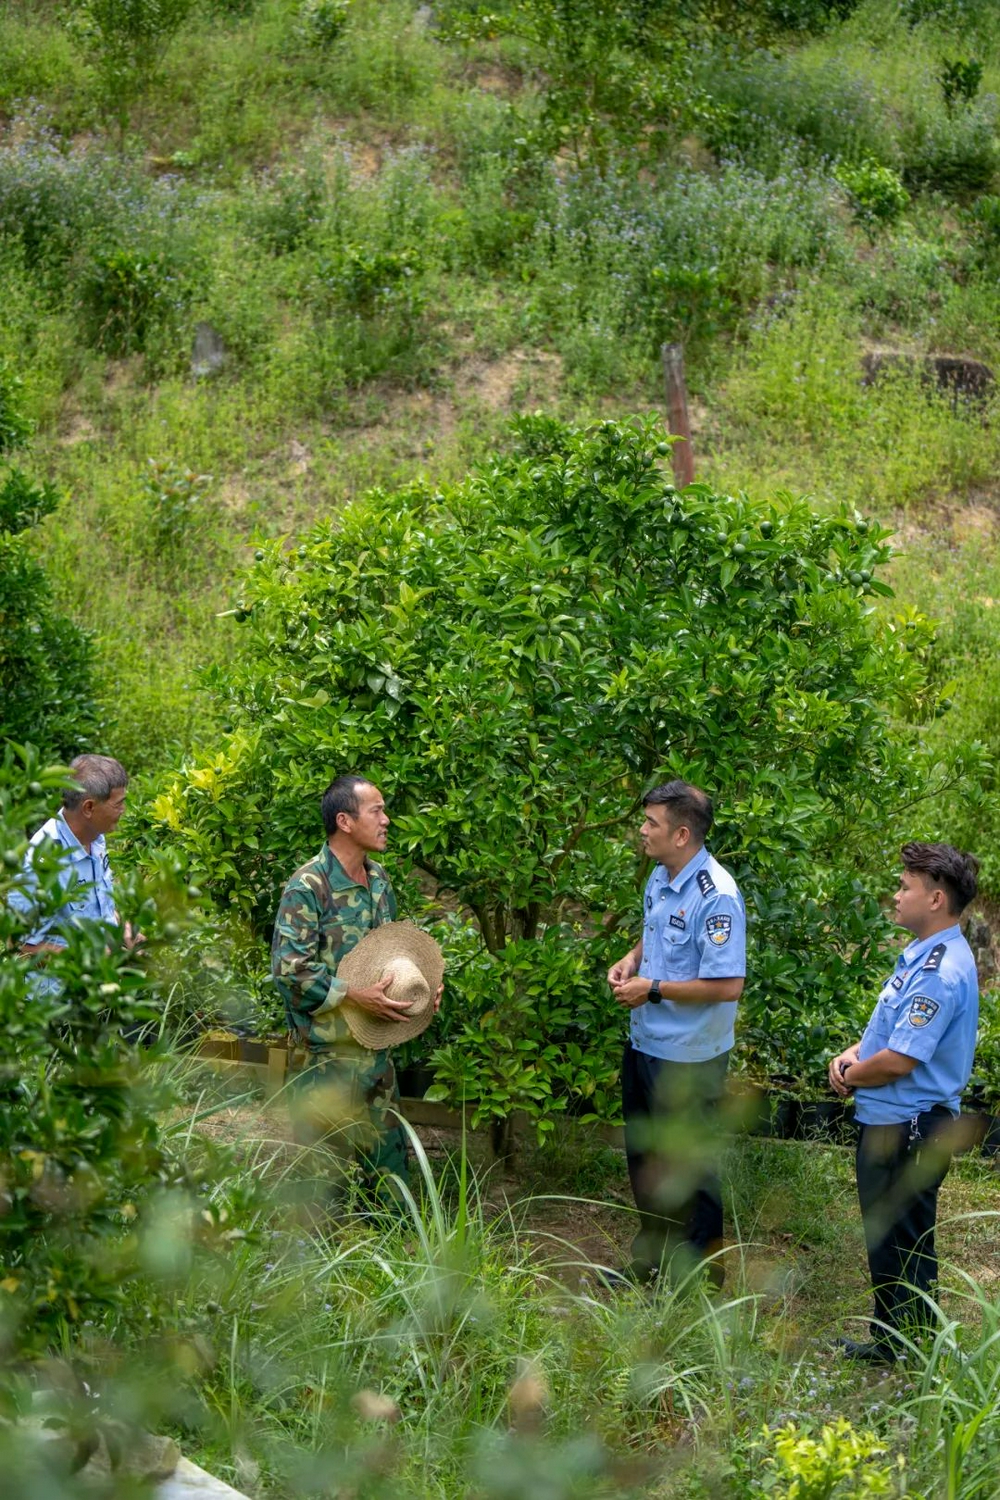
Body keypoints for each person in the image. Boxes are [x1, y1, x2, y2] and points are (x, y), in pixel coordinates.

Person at [829, 841, 980, 1364]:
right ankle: (893, 1343)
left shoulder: (939, 971)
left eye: (905, 887)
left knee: (908, 1245)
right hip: (892, 1118)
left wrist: (852, 1071)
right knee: (889, 1239)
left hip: (909, 1127)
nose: (896, 895)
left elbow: (899, 1061)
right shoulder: (924, 958)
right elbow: (887, 1038)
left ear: (936, 899)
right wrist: (852, 1055)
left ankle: (915, 1355)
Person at [271, 774, 438, 1207]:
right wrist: (351, 996)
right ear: (344, 821)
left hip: (376, 1057)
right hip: (325, 1061)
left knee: (391, 1191)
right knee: (320, 1189)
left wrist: (419, 989)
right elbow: (291, 974)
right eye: (376, 811)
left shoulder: (379, 880)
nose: (386, 820)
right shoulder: (308, 887)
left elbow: (391, 953)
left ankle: (392, 1250)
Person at [607, 780, 746, 1288]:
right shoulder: (662, 875)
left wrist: (654, 989)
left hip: (688, 1056)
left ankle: (702, 1279)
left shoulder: (718, 896)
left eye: (651, 824)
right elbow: (655, 937)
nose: (642, 832)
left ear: (682, 834)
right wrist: (632, 961)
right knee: (646, 1159)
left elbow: (728, 984)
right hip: (646, 1041)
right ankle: (653, 1262)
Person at [9, 754, 132, 991]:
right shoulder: (43, 862)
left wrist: (124, 929)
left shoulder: (94, 837)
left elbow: (97, 901)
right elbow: (21, 946)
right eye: (118, 804)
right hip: (60, 1006)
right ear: (89, 808)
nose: (123, 810)